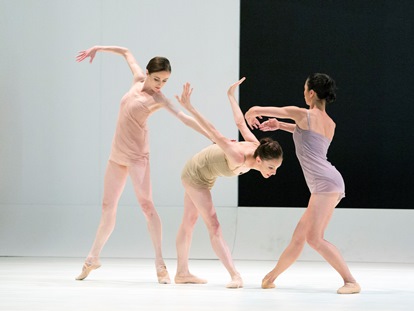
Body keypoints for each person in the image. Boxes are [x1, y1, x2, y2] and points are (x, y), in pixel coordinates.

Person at [74, 45, 210, 283]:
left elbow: (184, 119)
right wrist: (97, 48)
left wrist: (213, 136)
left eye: (165, 81)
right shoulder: (137, 80)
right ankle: (92, 258)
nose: (160, 84)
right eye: (157, 78)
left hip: (137, 158)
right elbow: (126, 52)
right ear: (147, 73)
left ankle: (160, 266)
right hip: (117, 155)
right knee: (108, 206)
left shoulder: (158, 99)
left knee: (147, 206)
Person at [244, 73, 361, 294]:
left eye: (304, 90)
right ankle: (271, 277)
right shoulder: (330, 123)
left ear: (311, 93)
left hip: (325, 183)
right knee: (300, 237)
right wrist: (280, 125)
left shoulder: (303, 114)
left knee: (314, 238)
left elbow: (278, 110)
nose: (303, 94)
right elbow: (307, 135)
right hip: (328, 182)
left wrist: (254, 110)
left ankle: (350, 281)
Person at [174, 78, 283, 288]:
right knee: (213, 225)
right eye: (271, 168)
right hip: (196, 175)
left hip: (205, 174)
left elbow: (241, 122)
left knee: (189, 221)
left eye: (276, 168)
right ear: (259, 160)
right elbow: (213, 131)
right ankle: (235, 275)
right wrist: (190, 107)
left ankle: (181, 273)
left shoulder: (256, 145)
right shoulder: (237, 156)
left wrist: (230, 96)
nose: (274, 173)